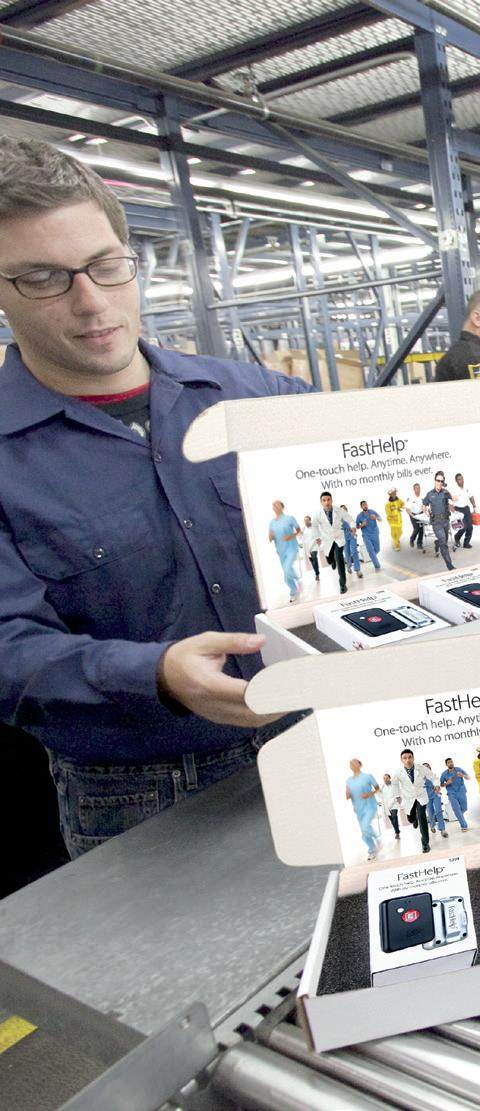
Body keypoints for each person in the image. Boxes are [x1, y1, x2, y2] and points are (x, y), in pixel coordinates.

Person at [0, 137, 335, 854]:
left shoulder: (262, 397)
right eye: (42, 279)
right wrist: (154, 674)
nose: (92, 302)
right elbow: (7, 647)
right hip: (140, 789)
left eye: (106, 266)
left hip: (316, 731)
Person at [392, 748, 436, 853]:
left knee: (422, 817)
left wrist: (437, 785)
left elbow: (432, 776)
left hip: (420, 795)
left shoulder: (421, 768)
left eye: (410, 757)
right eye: (405, 758)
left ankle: (425, 843)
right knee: (411, 819)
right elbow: (394, 784)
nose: (408, 760)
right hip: (409, 798)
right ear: (401, 760)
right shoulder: (398, 772)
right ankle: (414, 819)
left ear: (413, 758)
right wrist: (397, 795)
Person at [343, 758, 381, 860]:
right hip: (358, 809)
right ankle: (372, 850)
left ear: (359, 765)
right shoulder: (349, 780)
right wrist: (348, 794)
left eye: (354, 762)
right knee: (364, 833)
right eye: (350, 763)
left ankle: (378, 838)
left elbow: (377, 788)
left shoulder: (368, 776)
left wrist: (369, 794)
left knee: (365, 827)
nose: (351, 764)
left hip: (370, 806)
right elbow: (348, 795)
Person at [266, 500, 303, 602]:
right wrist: (270, 537)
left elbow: (298, 530)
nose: (275, 506)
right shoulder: (272, 522)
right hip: (280, 550)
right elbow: (270, 538)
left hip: (291, 547)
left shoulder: (290, 518)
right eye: (273, 505)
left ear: (282, 507)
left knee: (287, 569)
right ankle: (295, 586)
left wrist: (291, 536)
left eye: (277, 505)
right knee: (286, 574)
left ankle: (296, 585)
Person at [314, 491, 350, 593]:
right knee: (329, 560)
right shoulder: (317, 514)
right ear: (321, 502)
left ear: (332, 500)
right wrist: (317, 537)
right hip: (327, 540)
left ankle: (342, 585)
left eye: (328, 500)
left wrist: (352, 526)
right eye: (324, 500)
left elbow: (348, 518)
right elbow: (314, 526)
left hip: (338, 538)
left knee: (340, 559)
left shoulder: (338, 510)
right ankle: (332, 560)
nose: (327, 502)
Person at [421, 472, 457, 571]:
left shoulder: (445, 492)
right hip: (436, 522)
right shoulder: (430, 494)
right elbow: (424, 505)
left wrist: (449, 490)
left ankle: (437, 544)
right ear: (434, 481)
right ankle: (450, 565)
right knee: (444, 543)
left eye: (442, 481)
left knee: (443, 541)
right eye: (438, 480)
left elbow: (454, 498)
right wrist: (426, 511)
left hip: (445, 521)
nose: (439, 483)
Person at [439, 756, 471, 832]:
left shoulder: (459, 769)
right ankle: (464, 825)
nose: (451, 763)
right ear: (446, 764)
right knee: (456, 809)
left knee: (464, 808)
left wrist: (463, 775)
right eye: (449, 762)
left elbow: (469, 777)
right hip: (451, 793)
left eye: (451, 762)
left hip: (461, 791)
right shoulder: (444, 774)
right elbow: (441, 785)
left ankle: (459, 815)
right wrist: (447, 783)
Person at [449, 473, 477, 550]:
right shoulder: (454, 490)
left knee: (470, 527)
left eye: (462, 479)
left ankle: (466, 543)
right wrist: (454, 512)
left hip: (466, 509)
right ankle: (457, 537)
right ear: (456, 481)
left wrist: (474, 506)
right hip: (458, 509)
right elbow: (450, 504)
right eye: (459, 479)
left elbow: (471, 497)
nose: (461, 480)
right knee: (463, 527)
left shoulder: (466, 488)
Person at [354, 499, 383, 571]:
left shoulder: (372, 512)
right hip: (366, 535)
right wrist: (362, 525)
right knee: (370, 550)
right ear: (361, 507)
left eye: (366, 504)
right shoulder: (359, 516)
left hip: (375, 533)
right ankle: (377, 566)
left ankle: (372, 556)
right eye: (363, 505)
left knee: (377, 549)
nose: (365, 506)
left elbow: (380, 519)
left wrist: (376, 517)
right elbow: (356, 527)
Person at [421, 762, 448, 839]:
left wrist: (437, 787)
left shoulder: (433, 775)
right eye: (424, 767)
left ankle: (442, 829)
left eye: (427, 766)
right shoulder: (420, 777)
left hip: (436, 794)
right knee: (430, 812)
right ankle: (432, 825)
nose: (426, 768)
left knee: (439, 811)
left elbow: (437, 782)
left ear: (430, 768)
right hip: (427, 796)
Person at [337, 502, 362, 579]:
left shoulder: (349, 517)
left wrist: (353, 530)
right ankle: (348, 566)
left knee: (354, 552)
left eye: (344, 509)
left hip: (352, 536)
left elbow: (353, 524)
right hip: (343, 538)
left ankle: (358, 570)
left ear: (347, 510)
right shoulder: (338, 520)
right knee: (347, 553)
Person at [404, 481, 427, 551]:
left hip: (420, 514)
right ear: (414, 489)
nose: (418, 490)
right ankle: (412, 538)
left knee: (421, 529)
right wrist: (412, 516)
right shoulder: (411, 498)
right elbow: (407, 509)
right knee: (416, 528)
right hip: (413, 514)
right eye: (416, 488)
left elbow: (424, 507)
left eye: (419, 488)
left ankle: (419, 544)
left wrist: (426, 513)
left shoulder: (422, 497)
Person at [381, 772, 400, 840]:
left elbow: (397, 795)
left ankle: (397, 833)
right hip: (387, 807)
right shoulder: (383, 787)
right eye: (384, 778)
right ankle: (396, 830)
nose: (385, 779)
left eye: (387, 778)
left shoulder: (394, 786)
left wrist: (397, 799)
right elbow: (382, 797)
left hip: (394, 804)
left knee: (394, 817)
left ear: (390, 778)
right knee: (392, 821)